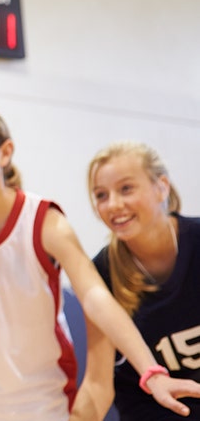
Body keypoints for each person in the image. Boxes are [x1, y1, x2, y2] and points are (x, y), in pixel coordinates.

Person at [0, 103, 196, 421]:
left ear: (5, 152)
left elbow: (95, 297)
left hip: (41, 397)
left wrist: (150, 371)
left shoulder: (44, 220)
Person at [73, 141, 200, 420]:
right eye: (101, 195)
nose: (113, 204)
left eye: (126, 189)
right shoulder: (100, 274)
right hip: (154, 411)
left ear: (161, 187)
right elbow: (98, 382)